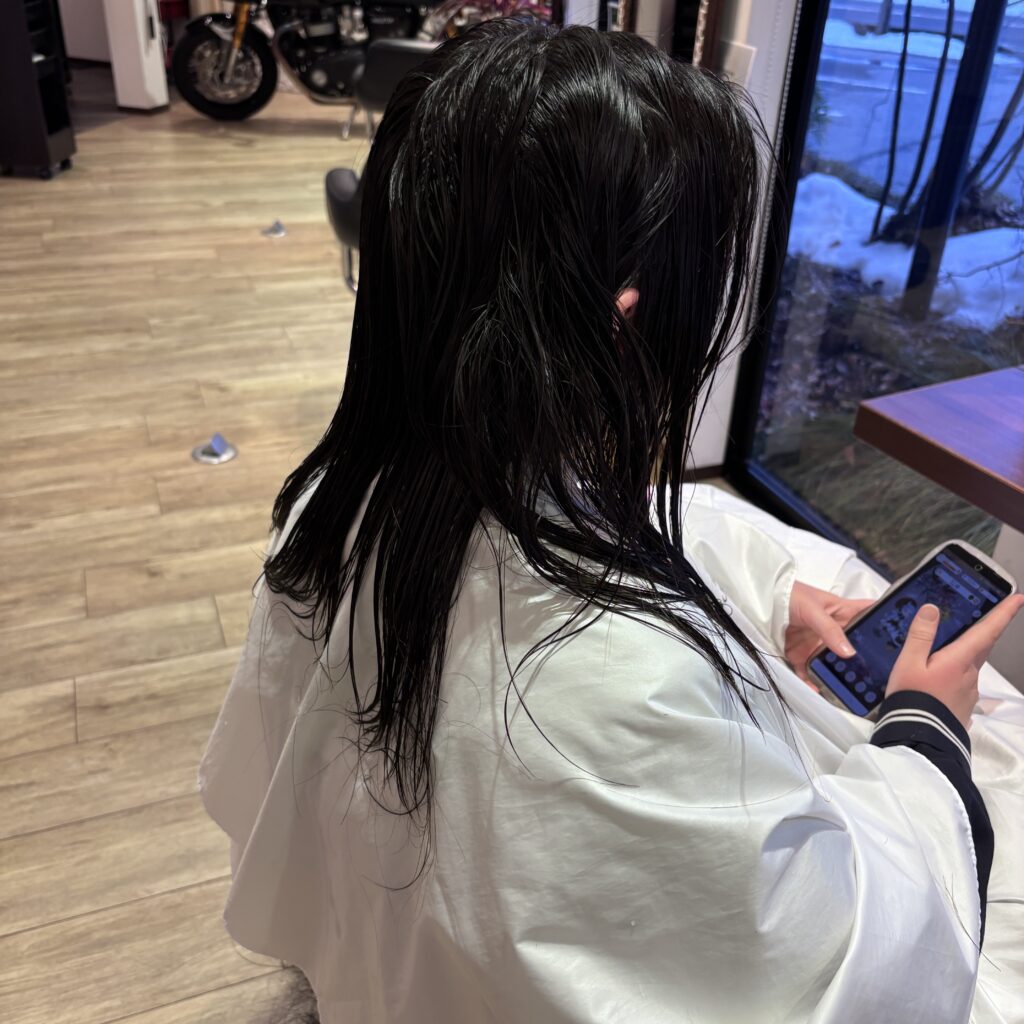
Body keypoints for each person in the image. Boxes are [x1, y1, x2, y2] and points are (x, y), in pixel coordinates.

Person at [198, 20, 1024, 1023]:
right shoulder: (612, 689)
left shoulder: (333, 508)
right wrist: (926, 728)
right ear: (625, 319)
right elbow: (851, 975)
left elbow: (601, 533)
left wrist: (761, 598)